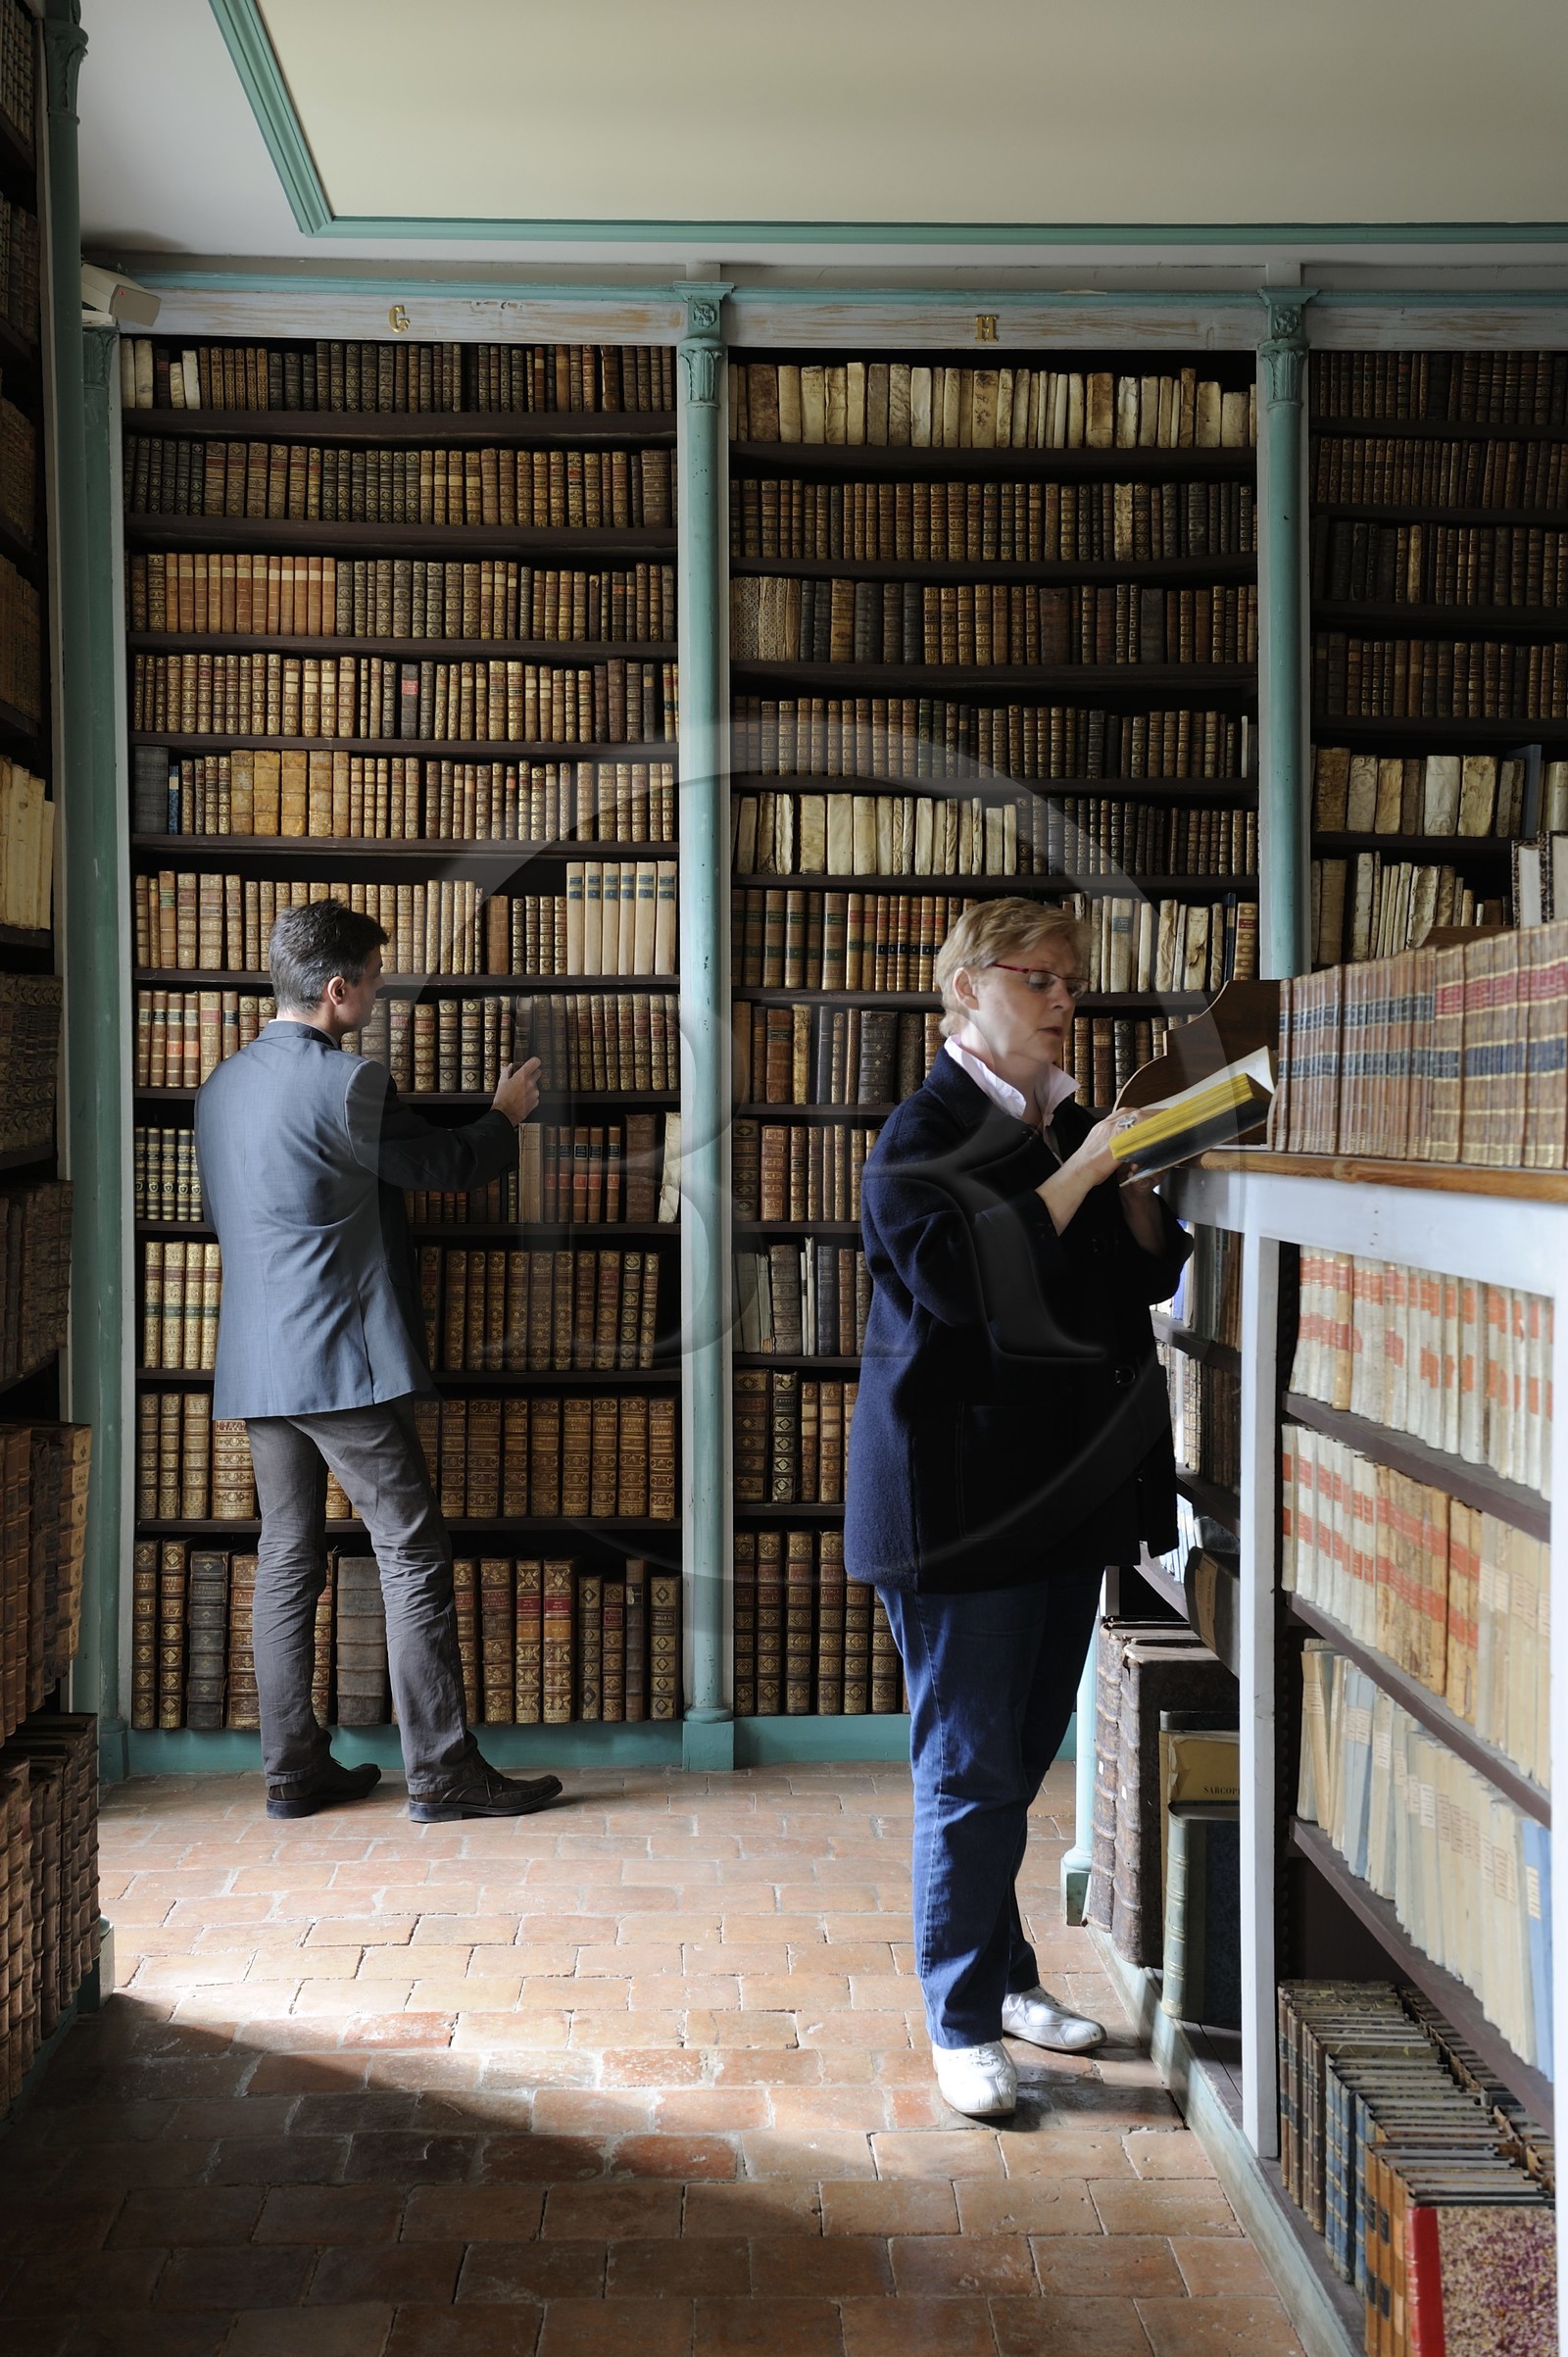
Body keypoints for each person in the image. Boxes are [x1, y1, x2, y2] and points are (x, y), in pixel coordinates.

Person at [844, 897, 1192, 2120]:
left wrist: (1140, 1174)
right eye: (1035, 978)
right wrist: (1090, 1164)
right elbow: (957, 1283)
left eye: (1070, 982)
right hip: (960, 1505)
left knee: (1011, 1764)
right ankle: (956, 2016)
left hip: (1059, 1494)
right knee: (971, 1769)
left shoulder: (1068, 1125)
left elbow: (1138, 1269)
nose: (1060, 998)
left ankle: (1002, 1977)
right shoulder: (916, 1134)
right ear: (963, 991)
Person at [195, 899, 564, 1825]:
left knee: (286, 1557)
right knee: (411, 1550)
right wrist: (502, 1116)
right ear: (336, 989)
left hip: (255, 1355)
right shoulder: (350, 1083)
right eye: (374, 976)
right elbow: (441, 1169)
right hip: (337, 1359)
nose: (381, 989)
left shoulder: (220, 1086)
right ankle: (441, 1772)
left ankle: (292, 1771)